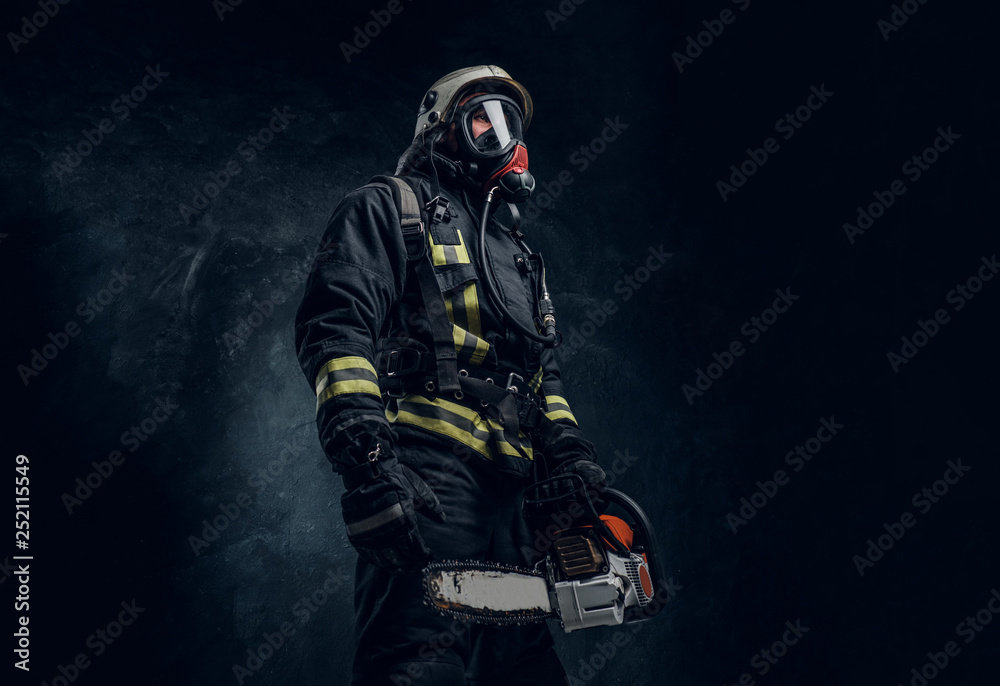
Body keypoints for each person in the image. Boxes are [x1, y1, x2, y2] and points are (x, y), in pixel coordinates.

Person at [294, 65, 607, 686]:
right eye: (482, 118)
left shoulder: (518, 259)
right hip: (430, 479)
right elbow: (337, 328)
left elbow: (546, 377)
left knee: (527, 673)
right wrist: (370, 464)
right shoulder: (390, 205)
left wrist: (569, 458)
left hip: (515, 501)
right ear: (441, 129)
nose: (500, 136)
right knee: (417, 664)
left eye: (508, 123)